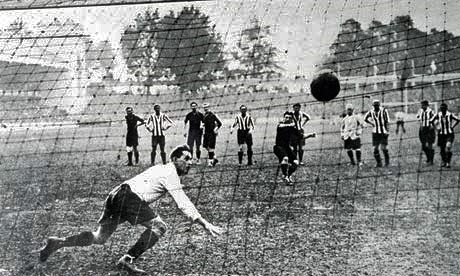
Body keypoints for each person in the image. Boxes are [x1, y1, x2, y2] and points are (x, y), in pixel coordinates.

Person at [39, 145, 224, 274]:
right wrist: (204, 223)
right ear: (175, 159)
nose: (190, 163)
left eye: (191, 159)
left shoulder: (161, 168)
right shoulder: (170, 172)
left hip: (116, 194)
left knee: (100, 237)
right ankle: (127, 260)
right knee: (160, 227)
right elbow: (182, 202)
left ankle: (58, 242)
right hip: (128, 198)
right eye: (186, 159)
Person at [274, 111, 315, 184]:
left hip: (287, 147)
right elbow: (283, 126)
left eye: (289, 118)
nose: (287, 119)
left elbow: (301, 136)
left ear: (291, 119)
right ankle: (285, 176)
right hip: (278, 147)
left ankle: (287, 176)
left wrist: (310, 135)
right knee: (285, 158)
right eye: (286, 117)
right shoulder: (280, 125)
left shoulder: (292, 128)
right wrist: (294, 124)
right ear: (283, 118)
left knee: (296, 163)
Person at [430, 103, 460, 168]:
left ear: (446, 109)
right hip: (441, 134)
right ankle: (444, 161)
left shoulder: (450, 114)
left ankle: (448, 162)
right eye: (441, 108)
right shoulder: (438, 114)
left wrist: (452, 126)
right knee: (442, 149)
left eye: (443, 108)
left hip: (449, 134)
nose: (442, 110)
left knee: (448, 146)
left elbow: (458, 120)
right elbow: (431, 121)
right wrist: (436, 128)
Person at [364, 99, 391, 167]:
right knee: (375, 149)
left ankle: (387, 162)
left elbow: (387, 122)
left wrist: (387, 131)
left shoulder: (384, 111)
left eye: (377, 105)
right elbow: (365, 118)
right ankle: (379, 163)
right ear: (373, 106)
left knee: (383, 148)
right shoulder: (371, 112)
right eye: (375, 106)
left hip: (383, 132)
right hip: (375, 133)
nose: (376, 107)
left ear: (379, 105)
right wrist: (372, 123)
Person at [416, 100, 436, 165]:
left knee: (430, 145)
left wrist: (432, 126)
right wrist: (420, 124)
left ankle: (431, 160)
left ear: (426, 105)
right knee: (424, 146)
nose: (421, 106)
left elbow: (435, 119)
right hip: (422, 129)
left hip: (429, 129)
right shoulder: (420, 111)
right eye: (421, 105)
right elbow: (418, 117)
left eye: (423, 105)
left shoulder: (430, 111)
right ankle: (428, 158)